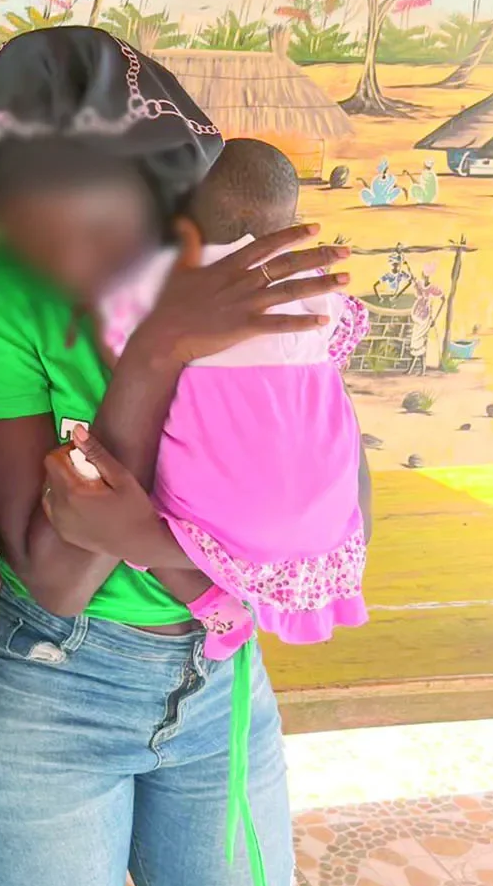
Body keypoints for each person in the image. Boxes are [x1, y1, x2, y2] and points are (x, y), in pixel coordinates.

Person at [0, 27, 350, 886]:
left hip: (218, 696)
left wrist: (146, 540)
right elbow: (57, 574)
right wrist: (156, 353)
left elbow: (301, 533)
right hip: (48, 705)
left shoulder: (238, 267)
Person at [97, 136, 372, 651]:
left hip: (227, 512)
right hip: (326, 513)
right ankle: (314, 604)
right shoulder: (310, 279)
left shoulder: (165, 277)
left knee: (139, 515)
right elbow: (345, 333)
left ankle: (213, 607)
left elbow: (121, 346)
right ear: (289, 221)